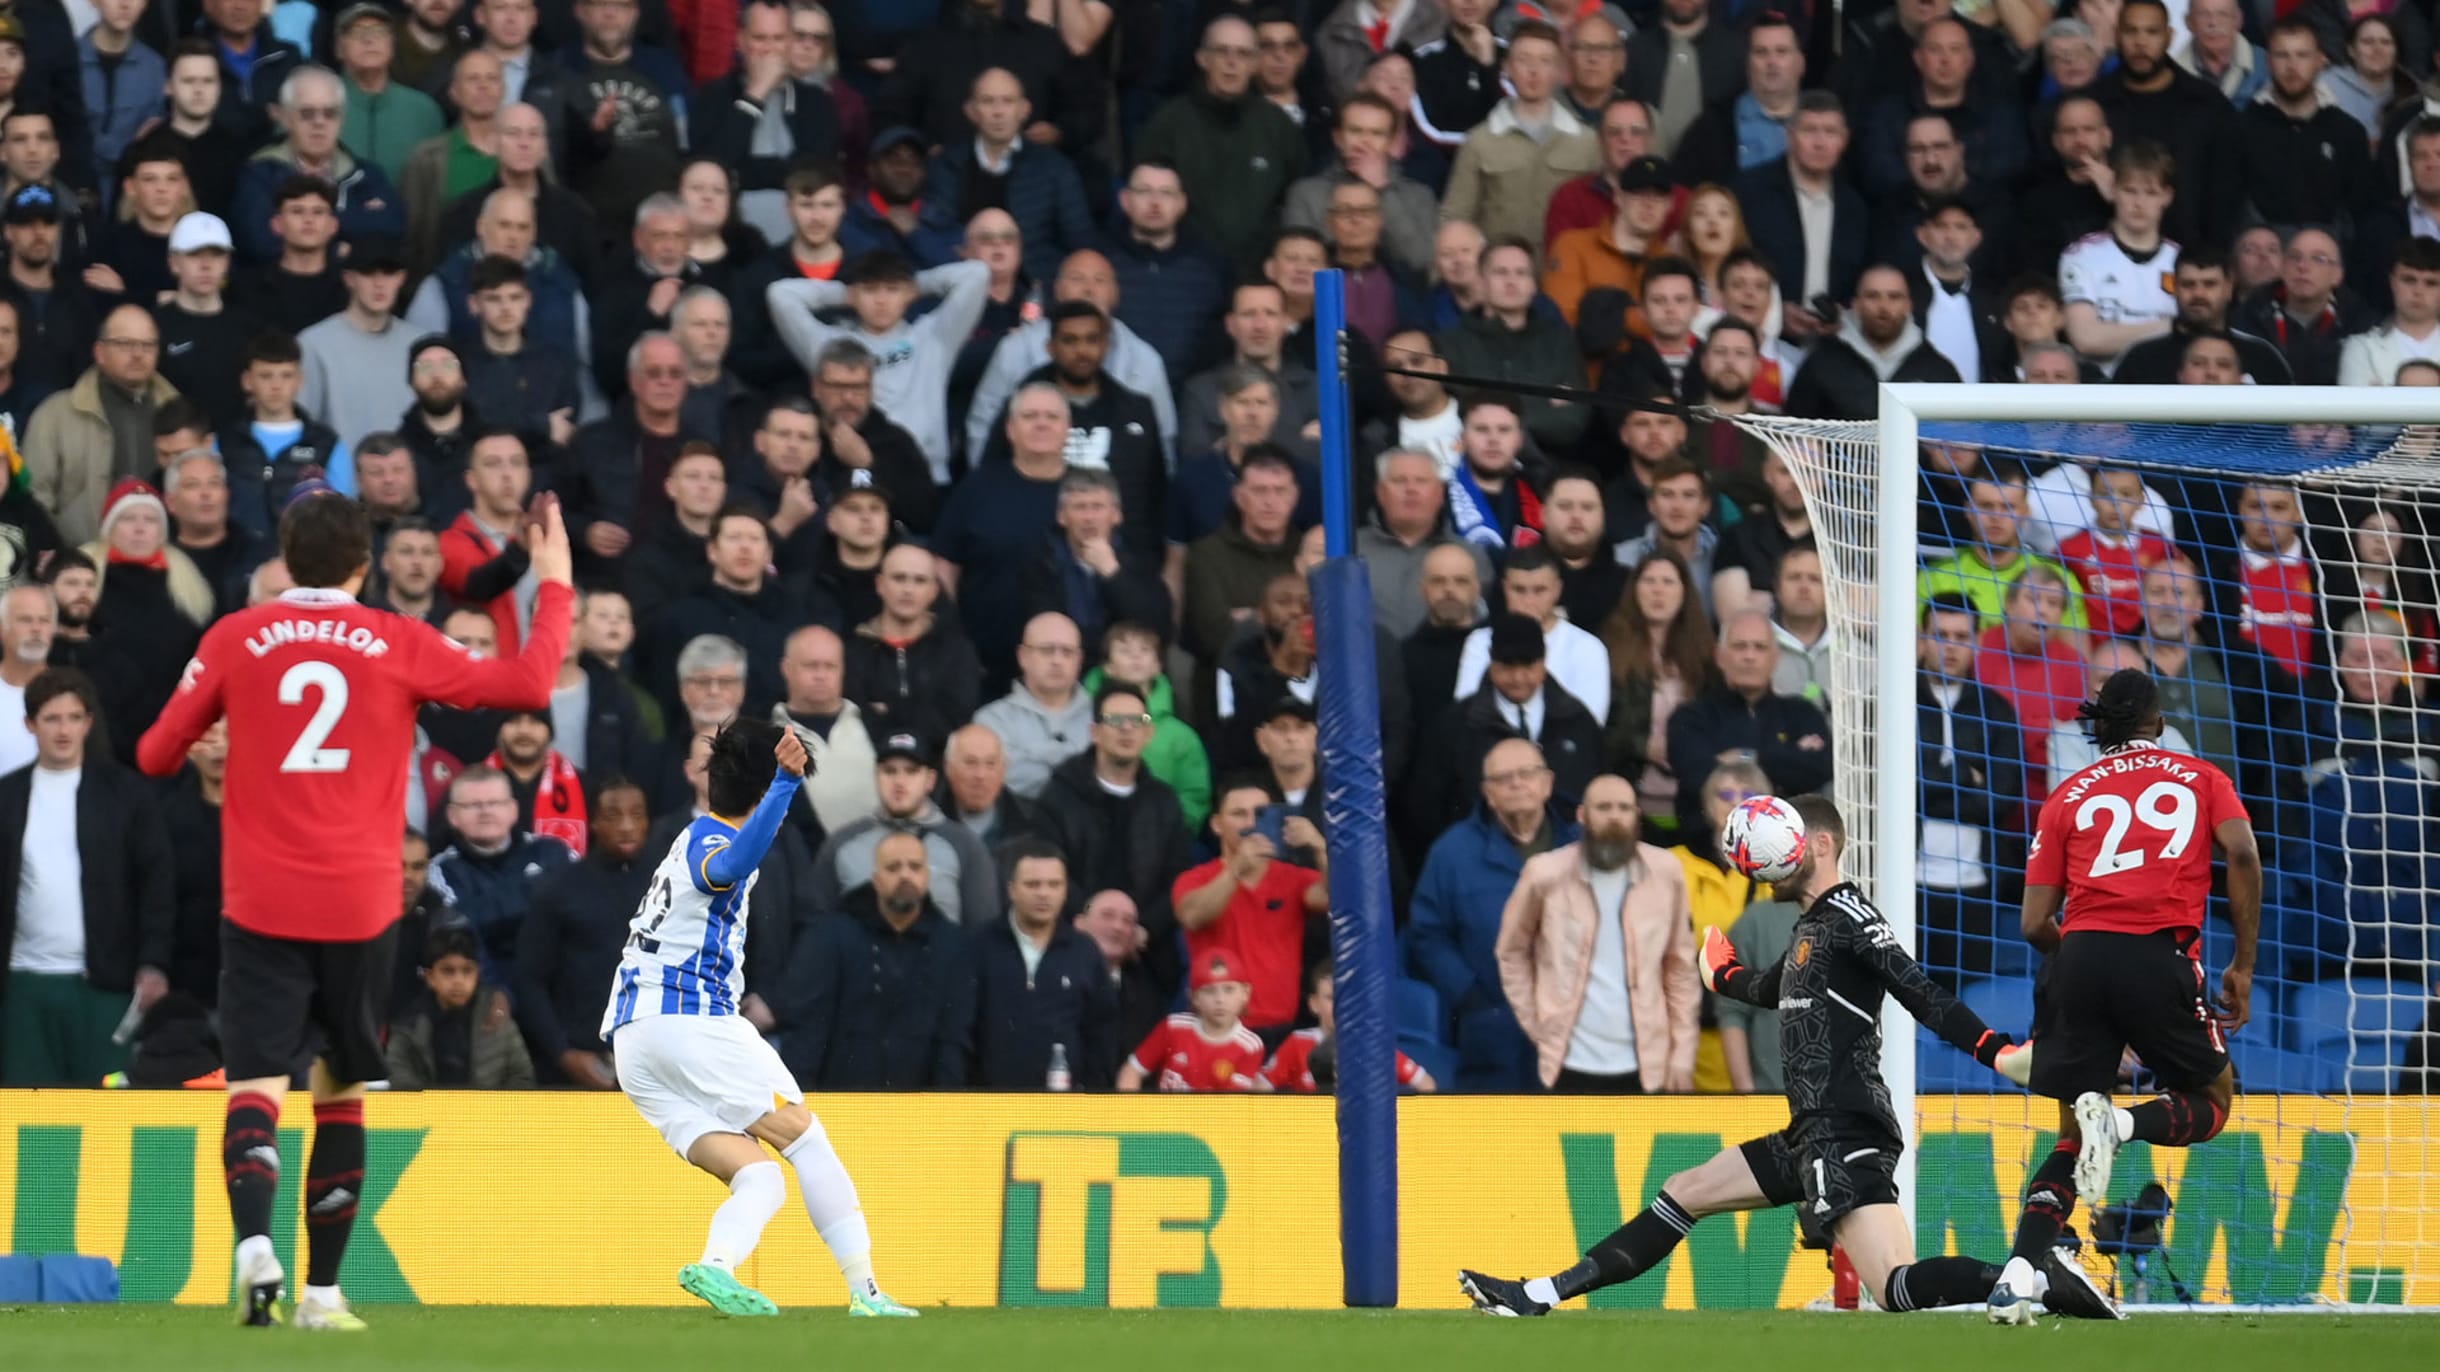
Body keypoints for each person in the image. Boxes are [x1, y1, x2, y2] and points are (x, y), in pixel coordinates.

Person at [133, 483, 574, 1330]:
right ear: (367, 567)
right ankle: (323, 1295)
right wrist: (551, 582)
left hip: (261, 899)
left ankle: (254, 1245)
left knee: (257, 1079)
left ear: (285, 557)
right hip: (363, 903)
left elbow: (154, 753)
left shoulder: (236, 635)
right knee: (340, 1092)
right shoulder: (395, 639)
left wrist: (213, 733)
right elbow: (528, 681)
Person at [1460, 795, 2089, 1321]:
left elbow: (1917, 988)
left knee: (1894, 1288)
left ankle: (2029, 1271)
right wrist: (1724, 975)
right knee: (1684, 1192)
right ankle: (1537, 1295)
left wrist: (1998, 1053)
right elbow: (1774, 989)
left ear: (1814, 843)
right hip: (1808, 1132)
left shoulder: (1851, 916)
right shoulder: (1810, 929)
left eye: (1769, 855)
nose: (1759, 871)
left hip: (1846, 1129)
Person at [601, 715, 917, 1318]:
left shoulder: (686, 838)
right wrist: (787, 785)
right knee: (809, 1142)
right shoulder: (711, 843)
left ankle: (714, 1267)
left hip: (636, 1043)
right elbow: (731, 865)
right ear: (764, 784)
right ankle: (867, 1294)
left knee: (760, 1176)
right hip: (688, 1021)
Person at [1990, 669, 2262, 1322]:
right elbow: (2244, 855)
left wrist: (2086, 965)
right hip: (2157, 953)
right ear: (2159, 723)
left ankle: (2019, 1275)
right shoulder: (2201, 777)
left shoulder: (2066, 796)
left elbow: (2032, 924)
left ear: (2099, 728)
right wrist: (2243, 966)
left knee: (2066, 1134)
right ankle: (2124, 1124)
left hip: (2077, 955)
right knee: (2215, 1100)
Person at [0, 667, 176, 1086]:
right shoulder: (6, 798)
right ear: (30, 724)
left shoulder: (127, 795)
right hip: (24, 983)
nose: (64, 730)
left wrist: (153, 963)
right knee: (29, 1120)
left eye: (74, 718)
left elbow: (157, 884)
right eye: (52, 719)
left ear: (89, 722)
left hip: (104, 986)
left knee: (105, 1123)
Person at [1495, 774, 1698, 1094]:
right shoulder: (1544, 873)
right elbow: (1511, 951)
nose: (1615, 816)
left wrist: (1682, 1056)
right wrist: (1539, 1024)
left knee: (1638, 1146)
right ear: (1582, 815)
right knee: (1577, 1146)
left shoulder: (1666, 871)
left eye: (1624, 808)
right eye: (1603, 807)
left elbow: (1680, 967)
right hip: (1568, 1062)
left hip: (1647, 1064)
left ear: (1637, 815)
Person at [516, 777, 652, 1089]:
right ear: (593, 822)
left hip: (657, 1062)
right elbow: (530, 980)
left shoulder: (668, 885)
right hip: (583, 1064)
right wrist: (563, 1054)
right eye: (613, 816)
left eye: (637, 815)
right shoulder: (558, 889)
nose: (627, 826)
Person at [1174, 781, 1330, 1040]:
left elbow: (1335, 898)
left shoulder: (1293, 878)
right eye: (1238, 814)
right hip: (1214, 1032)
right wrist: (1236, 868)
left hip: (1280, 1030)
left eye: (1260, 813)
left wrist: (1321, 847)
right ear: (1216, 824)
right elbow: (1193, 916)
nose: (1250, 823)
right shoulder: (1195, 879)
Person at [1664, 611, 1834, 835]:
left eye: (1759, 647)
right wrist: (1787, 756)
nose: (1749, 656)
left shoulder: (1801, 713)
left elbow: (1819, 768)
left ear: (1776, 657)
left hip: (1788, 852)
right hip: (1708, 854)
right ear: (1719, 656)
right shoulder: (1692, 716)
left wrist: (1744, 757)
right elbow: (1695, 774)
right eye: (1739, 646)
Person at [808, 732, 999, 927]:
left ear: (930, 780)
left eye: (911, 771)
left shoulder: (964, 844)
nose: (899, 782)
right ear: (876, 776)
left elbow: (982, 932)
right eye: (890, 771)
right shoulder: (841, 843)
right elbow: (818, 926)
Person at [973, 838, 1118, 1090]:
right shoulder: (979, 947)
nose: (1044, 893)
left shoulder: (1085, 952)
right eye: (1032, 884)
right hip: (988, 1110)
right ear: (1012, 890)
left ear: (1065, 891)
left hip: (1065, 1111)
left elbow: (1102, 1035)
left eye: (1054, 884)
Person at [383, 925, 536, 1089]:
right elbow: (400, 1084)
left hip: (489, 1113)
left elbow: (522, 1078)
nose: (459, 980)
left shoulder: (497, 1020)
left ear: (478, 973)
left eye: (467, 970)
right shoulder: (407, 1027)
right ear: (430, 977)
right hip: (428, 1113)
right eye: (448, 971)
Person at [973, 612, 1094, 799]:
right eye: (1047, 650)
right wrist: (1079, 764)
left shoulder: (1100, 715)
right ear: (1023, 656)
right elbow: (1006, 778)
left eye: (1067, 652)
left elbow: (1110, 776)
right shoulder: (991, 719)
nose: (1057, 660)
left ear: (1079, 660)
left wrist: (1033, 757)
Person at [1116, 945, 1269, 1091]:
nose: (1220, 999)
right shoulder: (1172, 1027)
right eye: (1209, 991)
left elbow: (1234, 1106)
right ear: (1193, 997)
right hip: (1164, 1116)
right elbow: (1132, 1070)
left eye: (1229, 989)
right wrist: (1129, 1112)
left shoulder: (1250, 1046)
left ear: (1246, 993)